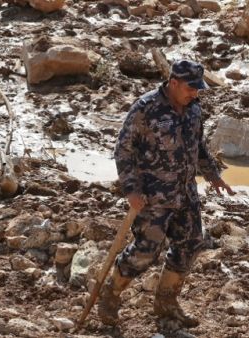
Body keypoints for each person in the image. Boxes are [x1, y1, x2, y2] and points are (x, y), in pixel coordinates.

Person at [99, 59, 234, 327]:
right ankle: (110, 294)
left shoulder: (194, 109)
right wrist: (131, 190)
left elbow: (198, 146)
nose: (195, 93)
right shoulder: (145, 109)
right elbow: (123, 150)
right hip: (152, 197)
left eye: (198, 88)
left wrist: (213, 175)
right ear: (173, 83)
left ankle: (166, 303)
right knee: (147, 250)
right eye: (190, 88)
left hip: (186, 193)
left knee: (191, 243)